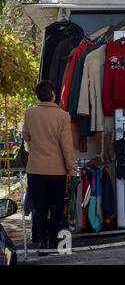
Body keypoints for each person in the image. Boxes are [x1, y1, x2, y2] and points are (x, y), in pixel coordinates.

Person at [23, 80, 77, 251]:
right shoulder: (63, 116)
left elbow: (26, 137)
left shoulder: (30, 113)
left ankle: (41, 240)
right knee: (56, 207)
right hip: (56, 170)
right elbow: (67, 147)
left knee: (39, 207)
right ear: (53, 94)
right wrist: (72, 169)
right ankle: (55, 241)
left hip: (35, 169)